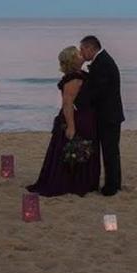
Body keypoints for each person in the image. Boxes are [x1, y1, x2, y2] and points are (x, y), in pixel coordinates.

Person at [26, 46, 101, 197]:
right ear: (73, 59)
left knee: (84, 150)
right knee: (75, 150)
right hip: (76, 119)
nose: (82, 55)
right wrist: (71, 127)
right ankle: (72, 184)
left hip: (85, 117)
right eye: (78, 54)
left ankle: (84, 182)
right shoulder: (73, 79)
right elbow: (67, 104)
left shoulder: (80, 74)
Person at [78, 35, 124, 196]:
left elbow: (96, 91)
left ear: (91, 48)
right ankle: (114, 183)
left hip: (109, 116)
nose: (81, 53)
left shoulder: (102, 63)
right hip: (108, 114)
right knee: (111, 151)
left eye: (82, 49)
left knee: (110, 151)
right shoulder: (101, 61)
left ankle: (112, 187)